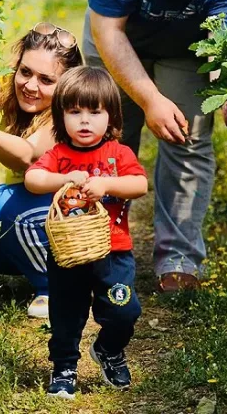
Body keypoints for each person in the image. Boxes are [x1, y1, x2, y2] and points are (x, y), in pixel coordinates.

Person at [83, 0, 227, 292]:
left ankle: (179, 259)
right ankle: (97, 247)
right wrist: (150, 99)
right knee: (102, 138)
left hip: (187, 48)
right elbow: (108, 31)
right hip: (119, 38)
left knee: (188, 138)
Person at [24, 67, 148, 399]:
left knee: (125, 310)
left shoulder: (118, 154)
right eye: (74, 111)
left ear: (111, 115)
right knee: (65, 312)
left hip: (114, 252)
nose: (84, 121)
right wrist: (66, 179)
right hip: (68, 254)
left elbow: (139, 184)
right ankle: (64, 367)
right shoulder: (58, 156)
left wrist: (107, 183)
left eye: (95, 112)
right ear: (60, 115)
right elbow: (33, 179)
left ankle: (109, 348)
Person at [0, 22, 83, 319]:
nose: (30, 85)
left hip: (69, 218)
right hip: (28, 213)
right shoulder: (11, 86)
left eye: (46, 80)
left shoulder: (70, 109)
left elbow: (26, 157)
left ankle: (58, 287)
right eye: (25, 72)